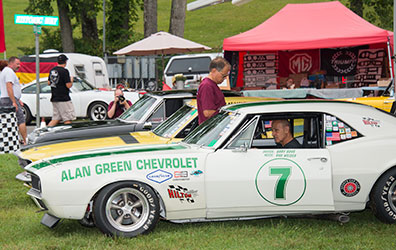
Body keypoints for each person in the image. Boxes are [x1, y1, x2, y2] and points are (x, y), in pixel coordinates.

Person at [0, 57, 27, 144]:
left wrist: (18, 99)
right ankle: (25, 141)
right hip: (9, 99)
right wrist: (14, 101)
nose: (19, 66)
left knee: (9, 121)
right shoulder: (9, 72)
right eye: (17, 64)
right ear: (11, 63)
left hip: (5, 98)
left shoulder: (5, 71)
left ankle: (12, 140)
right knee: (21, 119)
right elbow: (9, 87)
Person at [197, 57, 230, 124]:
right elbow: (208, 113)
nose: (225, 78)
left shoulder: (211, 84)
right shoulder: (207, 86)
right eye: (223, 75)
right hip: (211, 128)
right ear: (214, 71)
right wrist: (227, 114)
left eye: (226, 76)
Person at [47, 54, 75, 126]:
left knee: (56, 118)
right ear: (65, 61)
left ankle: (45, 133)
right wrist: (71, 80)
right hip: (63, 98)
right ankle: (68, 135)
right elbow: (68, 85)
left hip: (54, 97)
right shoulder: (64, 71)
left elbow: (49, 82)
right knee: (67, 119)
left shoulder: (52, 70)